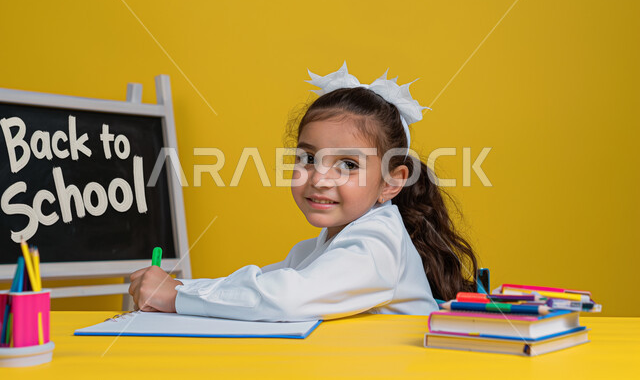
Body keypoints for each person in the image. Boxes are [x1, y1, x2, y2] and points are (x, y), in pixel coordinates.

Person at [128, 61, 478, 321]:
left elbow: (285, 297)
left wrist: (175, 296)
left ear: (390, 182)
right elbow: (266, 282)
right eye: (308, 157)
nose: (320, 178)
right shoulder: (323, 245)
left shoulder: (376, 244)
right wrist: (181, 289)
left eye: (348, 165)